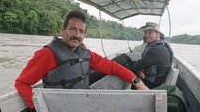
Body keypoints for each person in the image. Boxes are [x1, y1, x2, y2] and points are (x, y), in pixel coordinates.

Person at [15, 10, 148, 112]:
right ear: (62, 30)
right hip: (61, 106)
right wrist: (39, 108)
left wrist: (137, 81)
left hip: (84, 99)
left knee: (123, 77)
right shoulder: (47, 54)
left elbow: (112, 67)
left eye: (81, 31)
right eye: (72, 29)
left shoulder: (85, 53)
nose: (77, 35)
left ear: (84, 35)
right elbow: (21, 83)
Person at [130, 22, 174, 89]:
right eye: (145, 33)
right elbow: (141, 64)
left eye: (150, 32)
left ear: (158, 34)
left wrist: (138, 69)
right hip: (151, 79)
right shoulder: (159, 45)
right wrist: (139, 69)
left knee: (124, 64)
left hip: (150, 85)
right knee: (125, 59)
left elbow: (135, 67)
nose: (147, 35)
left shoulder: (156, 49)